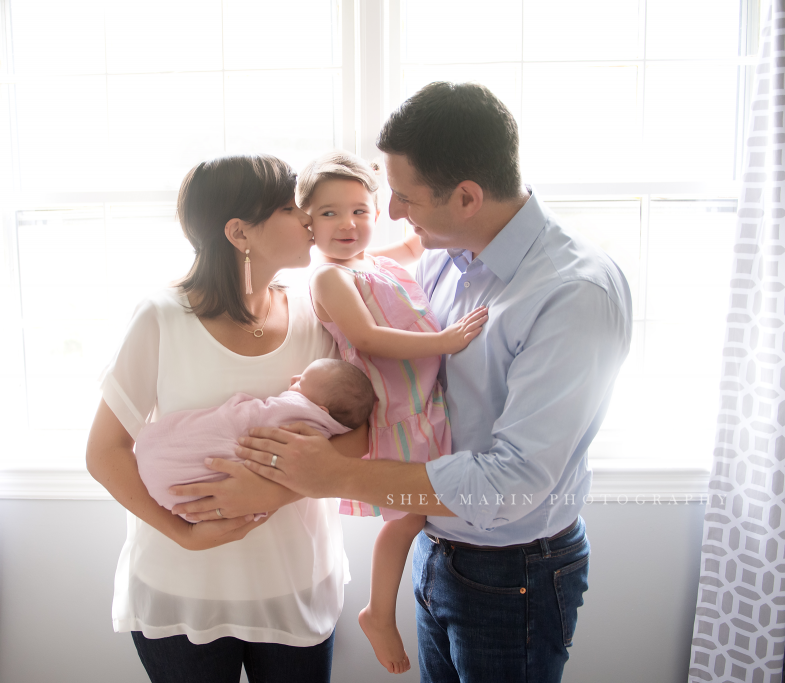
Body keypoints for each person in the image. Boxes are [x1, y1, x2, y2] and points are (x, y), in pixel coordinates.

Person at [230, 82, 633, 683]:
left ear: (467, 197)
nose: (390, 213)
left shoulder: (572, 295)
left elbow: (513, 482)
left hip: (511, 572)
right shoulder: (448, 255)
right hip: (435, 545)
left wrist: (336, 474)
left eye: (403, 198)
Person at [86, 154, 369, 683]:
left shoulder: (318, 313)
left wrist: (277, 492)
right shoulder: (161, 317)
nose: (310, 217)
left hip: (294, 582)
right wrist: (184, 534)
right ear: (240, 231)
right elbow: (104, 453)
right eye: (290, 207)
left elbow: (361, 436)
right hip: (182, 587)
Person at [296, 151, 487, 674]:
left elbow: (418, 239)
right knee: (409, 519)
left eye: (360, 210)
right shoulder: (331, 278)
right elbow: (367, 337)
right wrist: (444, 342)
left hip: (426, 403)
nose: (348, 224)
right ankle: (379, 613)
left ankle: (388, 609)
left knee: (423, 515)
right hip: (397, 407)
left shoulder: (377, 262)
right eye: (330, 213)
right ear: (307, 222)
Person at [134, 359, 374, 520]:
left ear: (321, 410)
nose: (293, 379)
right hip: (179, 514)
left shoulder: (302, 415)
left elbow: (260, 414)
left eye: (301, 383)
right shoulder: (330, 427)